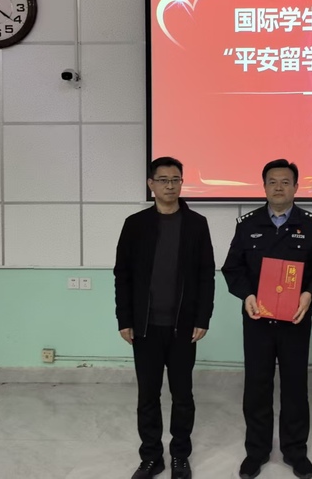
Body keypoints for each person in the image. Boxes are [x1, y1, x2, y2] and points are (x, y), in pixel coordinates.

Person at [222, 159, 312, 479]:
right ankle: (256, 452)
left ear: (296, 187)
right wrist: (246, 295)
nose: (279, 187)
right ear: (264, 186)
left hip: (295, 320)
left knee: (295, 387)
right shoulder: (247, 224)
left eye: (285, 182)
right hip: (257, 319)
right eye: (272, 181)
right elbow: (233, 268)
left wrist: (309, 295)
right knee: (256, 388)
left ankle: (295, 451)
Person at [114, 157, 216, 479]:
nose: (170, 186)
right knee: (148, 395)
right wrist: (124, 319)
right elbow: (122, 274)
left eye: (175, 180)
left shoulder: (196, 224)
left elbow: (206, 275)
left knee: (182, 395)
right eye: (163, 180)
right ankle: (151, 457)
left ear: (181, 183)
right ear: (151, 184)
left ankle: (180, 456)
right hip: (144, 327)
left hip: (183, 327)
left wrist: (203, 317)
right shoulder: (135, 224)